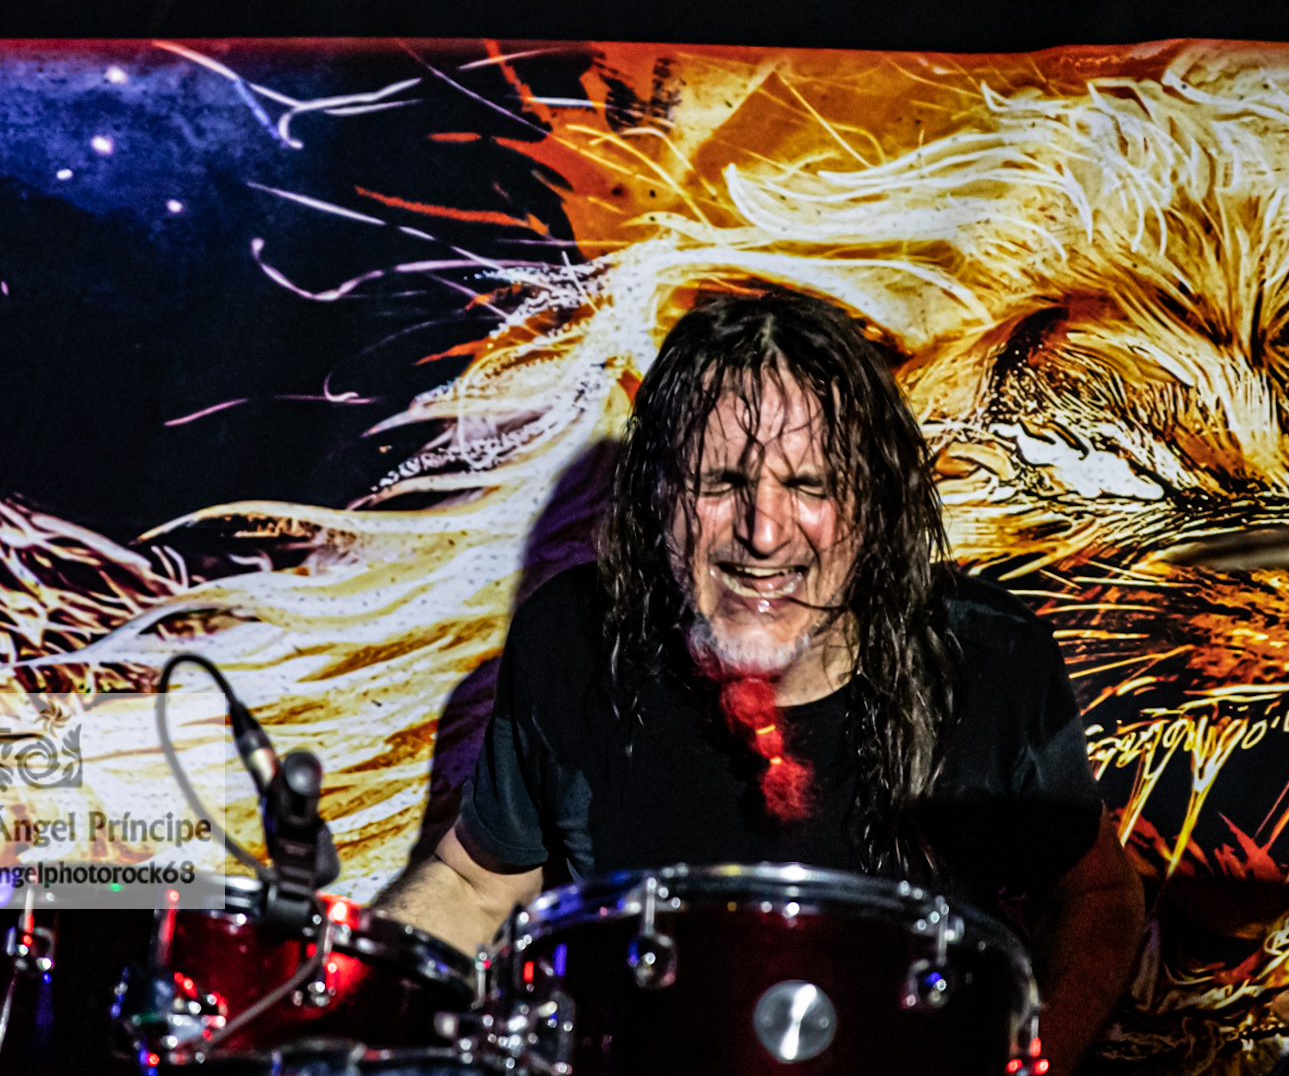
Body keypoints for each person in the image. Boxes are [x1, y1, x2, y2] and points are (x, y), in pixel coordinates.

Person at [378, 290, 1144, 1073]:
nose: (764, 532)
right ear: (658, 494)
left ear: (874, 500)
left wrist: (1034, 1065)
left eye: (809, 484)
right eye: (719, 481)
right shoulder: (572, 641)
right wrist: (351, 1002)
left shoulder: (988, 659)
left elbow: (1095, 897)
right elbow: (475, 885)